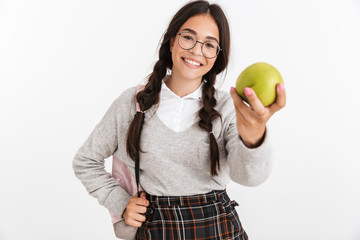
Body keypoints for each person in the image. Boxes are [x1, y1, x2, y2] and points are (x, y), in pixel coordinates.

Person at [72, 0, 286, 239]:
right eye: (188, 37)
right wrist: (120, 203)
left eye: (209, 45)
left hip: (218, 228)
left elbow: (249, 177)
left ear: (217, 55)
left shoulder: (226, 106)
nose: (196, 50)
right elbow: (85, 161)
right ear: (172, 41)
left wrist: (254, 137)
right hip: (156, 229)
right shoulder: (132, 103)